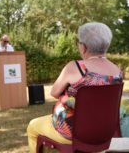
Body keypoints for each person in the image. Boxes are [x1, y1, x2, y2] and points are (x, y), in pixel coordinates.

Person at [27, 22, 123, 153]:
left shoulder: (75, 67)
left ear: (83, 47)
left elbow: (54, 92)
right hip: (106, 131)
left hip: (73, 132)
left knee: (33, 126)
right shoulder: (117, 71)